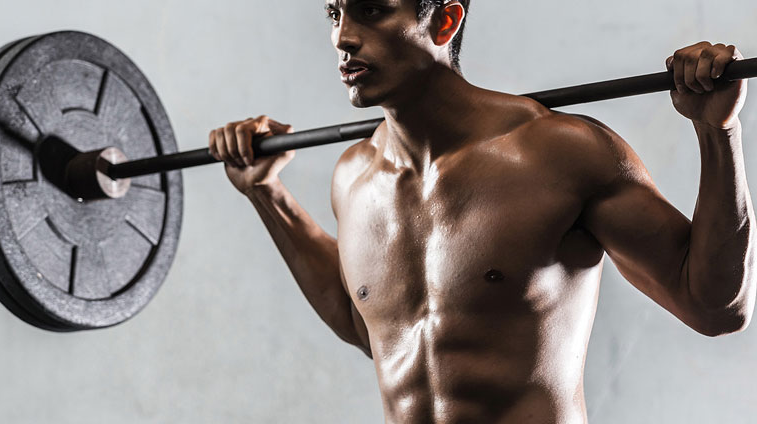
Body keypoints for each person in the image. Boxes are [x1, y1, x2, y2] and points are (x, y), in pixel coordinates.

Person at [208, 1, 755, 422]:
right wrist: (267, 195)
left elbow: (715, 307)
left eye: (372, 10)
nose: (343, 37)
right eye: (334, 12)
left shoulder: (560, 153)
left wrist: (717, 130)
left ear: (444, 22)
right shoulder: (355, 177)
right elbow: (369, 325)